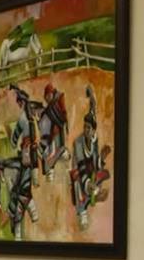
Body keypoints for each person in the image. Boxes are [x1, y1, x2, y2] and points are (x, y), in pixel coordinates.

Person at [0, 86, 41, 240]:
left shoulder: (22, 119)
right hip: (32, 161)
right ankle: (31, 211)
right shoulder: (32, 117)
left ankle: (21, 216)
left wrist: (8, 129)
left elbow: (14, 142)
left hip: (25, 160)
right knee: (21, 189)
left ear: (20, 103)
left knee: (15, 185)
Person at [70, 86, 111, 231]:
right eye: (85, 127)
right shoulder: (78, 143)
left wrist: (102, 158)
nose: (86, 130)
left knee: (104, 173)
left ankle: (94, 193)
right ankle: (83, 212)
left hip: (89, 169)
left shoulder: (94, 140)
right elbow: (81, 168)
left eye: (89, 128)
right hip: (78, 171)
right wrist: (88, 184)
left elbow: (95, 163)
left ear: (93, 130)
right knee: (77, 181)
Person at [38, 78, 69, 177]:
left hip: (57, 130)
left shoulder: (58, 99)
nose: (47, 99)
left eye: (48, 96)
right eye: (46, 97)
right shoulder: (48, 108)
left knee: (55, 151)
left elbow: (62, 114)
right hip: (52, 133)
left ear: (51, 94)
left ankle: (52, 166)